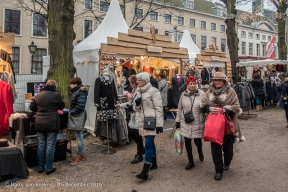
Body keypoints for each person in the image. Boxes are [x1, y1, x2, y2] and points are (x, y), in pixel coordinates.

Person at [200, 72, 243, 181]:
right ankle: (218, 170)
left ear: (224, 81)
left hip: (227, 124)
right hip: (214, 125)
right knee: (215, 150)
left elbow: (237, 106)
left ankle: (227, 162)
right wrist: (209, 108)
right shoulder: (209, 92)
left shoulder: (231, 91)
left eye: (219, 80)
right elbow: (203, 105)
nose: (217, 82)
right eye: (215, 80)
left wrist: (225, 109)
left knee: (228, 149)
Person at [29, 80, 65, 175]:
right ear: (55, 86)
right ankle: (49, 168)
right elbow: (62, 106)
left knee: (41, 145)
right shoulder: (56, 95)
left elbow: (32, 108)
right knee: (50, 145)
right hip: (52, 123)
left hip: (39, 122)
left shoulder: (38, 95)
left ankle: (40, 167)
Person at [134, 72, 163, 180]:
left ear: (145, 81)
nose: (137, 82)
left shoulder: (154, 91)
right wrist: (137, 104)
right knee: (150, 142)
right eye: (137, 80)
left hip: (152, 121)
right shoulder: (138, 91)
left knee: (148, 143)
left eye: (139, 80)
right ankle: (154, 163)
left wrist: (159, 124)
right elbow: (137, 108)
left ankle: (145, 169)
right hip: (143, 121)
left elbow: (159, 108)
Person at [175, 76, 206, 170]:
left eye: (194, 83)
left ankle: (200, 151)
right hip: (186, 122)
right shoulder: (183, 95)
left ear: (196, 84)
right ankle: (190, 161)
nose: (192, 86)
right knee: (187, 143)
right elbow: (180, 108)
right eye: (190, 84)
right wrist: (177, 121)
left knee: (197, 141)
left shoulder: (202, 94)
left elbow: (206, 107)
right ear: (187, 85)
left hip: (198, 122)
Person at [116, 75, 144, 164]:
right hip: (134, 116)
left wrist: (133, 108)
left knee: (137, 136)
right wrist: (121, 105)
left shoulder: (139, 92)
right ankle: (141, 150)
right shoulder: (134, 91)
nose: (131, 85)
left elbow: (139, 105)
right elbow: (131, 103)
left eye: (132, 83)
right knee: (132, 133)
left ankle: (140, 154)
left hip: (138, 116)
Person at [69, 77, 89, 165]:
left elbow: (80, 106)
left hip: (78, 116)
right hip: (78, 116)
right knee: (79, 136)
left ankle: (80, 156)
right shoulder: (79, 92)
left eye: (71, 84)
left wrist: (71, 112)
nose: (70, 85)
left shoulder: (80, 92)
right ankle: (80, 154)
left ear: (76, 84)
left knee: (80, 136)